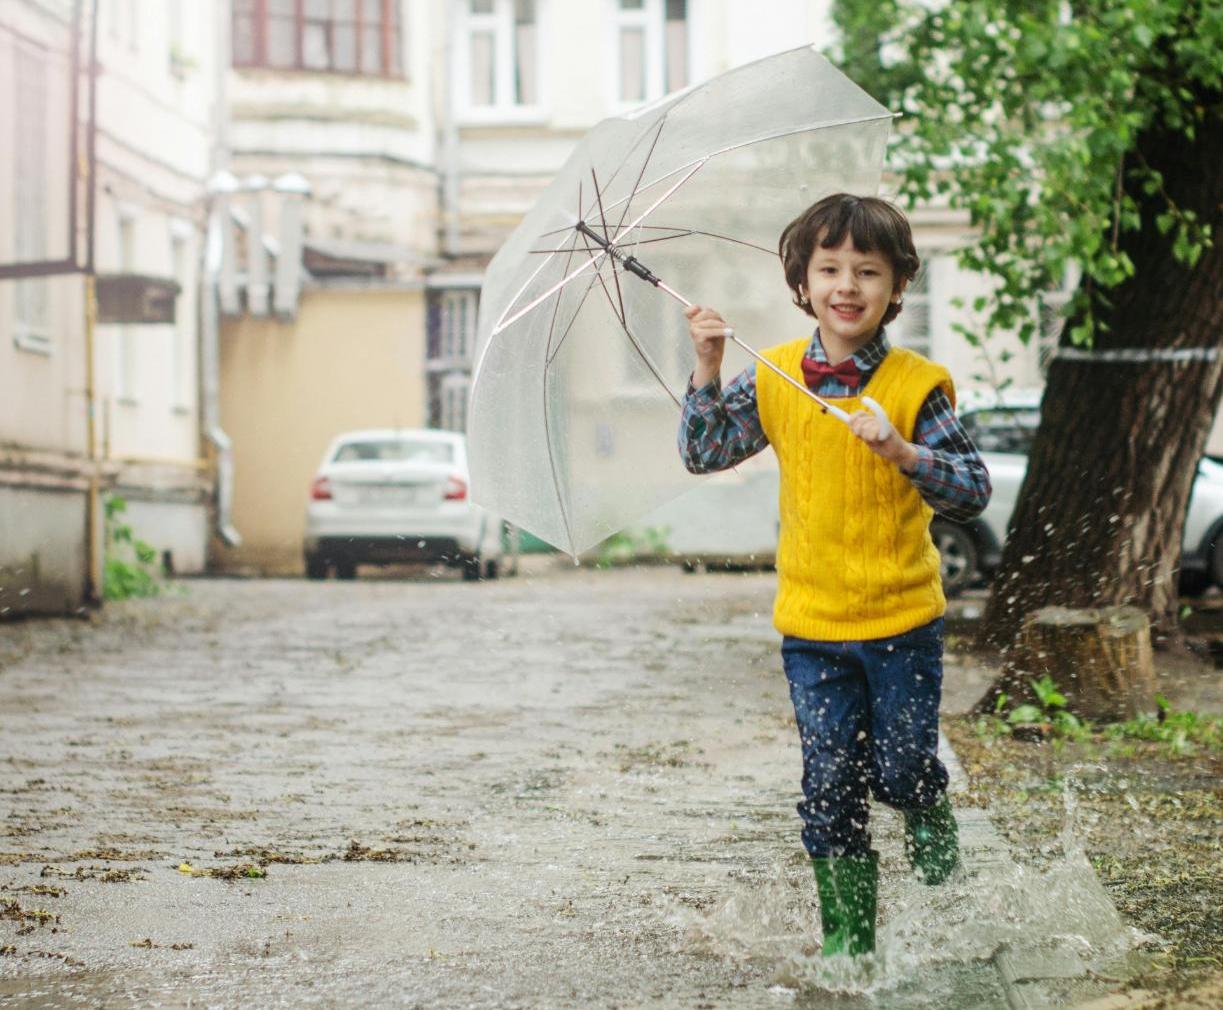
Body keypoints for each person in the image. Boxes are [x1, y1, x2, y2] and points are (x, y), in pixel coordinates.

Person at [678, 193, 991, 958]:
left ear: (895, 287)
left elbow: (971, 489)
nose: (845, 286)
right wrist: (709, 366)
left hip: (901, 623)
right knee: (829, 789)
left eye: (866, 271)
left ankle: (932, 834)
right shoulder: (777, 375)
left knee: (903, 770)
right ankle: (849, 951)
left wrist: (903, 452)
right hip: (812, 630)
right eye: (828, 269)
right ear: (801, 282)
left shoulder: (917, 385)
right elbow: (704, 453)